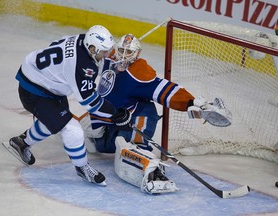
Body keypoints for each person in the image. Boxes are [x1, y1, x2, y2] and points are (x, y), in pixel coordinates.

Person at [81, 33, 231, 193]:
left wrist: (192, 103)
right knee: (89, 134)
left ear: (137, 54)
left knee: (131, 135)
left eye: (129, 52)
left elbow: (166, 90)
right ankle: (114, 143)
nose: (123, 55)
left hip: (133, 119)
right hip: (111, 120)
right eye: (121, 50)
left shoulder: (139, 72)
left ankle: (152, 170)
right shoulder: (108, 58)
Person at [3, 25, 131, 186]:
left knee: (54, 121)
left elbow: (56, 47)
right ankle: (82, 167)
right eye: (103, 52)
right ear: (92, 48)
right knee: (73, 129)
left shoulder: (82, 39)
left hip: (42, 80)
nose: (106, 55)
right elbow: (89, 102)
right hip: (35, 91)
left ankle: (22, 142)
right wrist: (116, 114)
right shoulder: (82, 65)